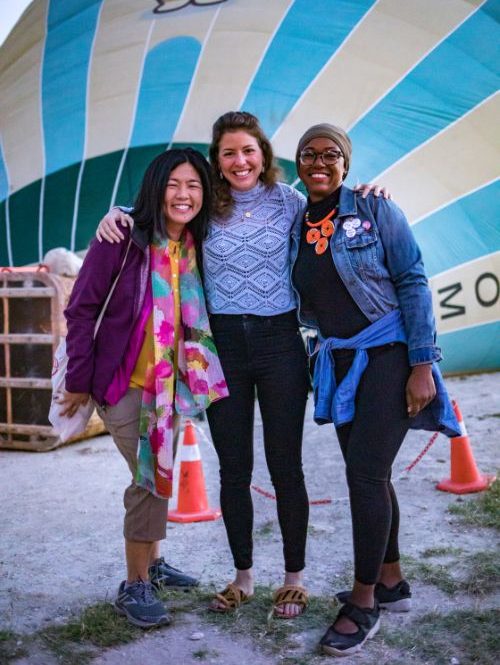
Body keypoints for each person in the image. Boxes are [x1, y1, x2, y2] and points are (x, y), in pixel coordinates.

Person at [96, 112, 387, 619]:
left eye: (248, 151)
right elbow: (163, 208)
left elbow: (336, 209)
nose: (240, 161)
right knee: (234, 469)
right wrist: (115, 212)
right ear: (218, 160)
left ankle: (293, 577)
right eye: (228, 153)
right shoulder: (209, 205)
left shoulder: (290, 202)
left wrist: (369, 194)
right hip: (222, 347)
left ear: (264, 155)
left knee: (285, 466)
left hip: (280, 344)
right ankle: (243, 576)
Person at [290, 123, 460, 656]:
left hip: (389, 356)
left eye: (331, 154)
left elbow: (412, 280)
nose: (319, 162)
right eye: (308, 154)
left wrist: (421, 365)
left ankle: (363, 602)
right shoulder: (297, 221)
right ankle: (390, 581)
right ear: (297, 163)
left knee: (365, 476)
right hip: (341, 363)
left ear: (347, 162)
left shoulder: (375, 209)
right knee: (370, 475)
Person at [59, 148, 228, 628]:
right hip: (127, 385)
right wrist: (78, 381)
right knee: (151, 480)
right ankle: (134, 585)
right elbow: (81, 310)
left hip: (171, 387)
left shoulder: (194, 241)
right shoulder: (121, 240)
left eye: (194, 185)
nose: (184, 194)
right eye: (174, 184)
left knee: (160, 475)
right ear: (156, 188)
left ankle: (152, 566)